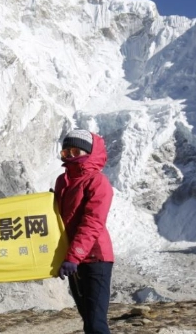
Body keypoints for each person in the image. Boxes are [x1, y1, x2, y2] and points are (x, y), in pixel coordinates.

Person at [53, 129, 114, 334]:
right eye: (65, 152)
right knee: (87, 319)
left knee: (96, 322)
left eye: (75, 152)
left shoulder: (97, 181)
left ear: (88, 152)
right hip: (73, 261)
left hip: (95, 258)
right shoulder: (63, 181)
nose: (69, 156)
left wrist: (74, 256)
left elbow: (93, 222)